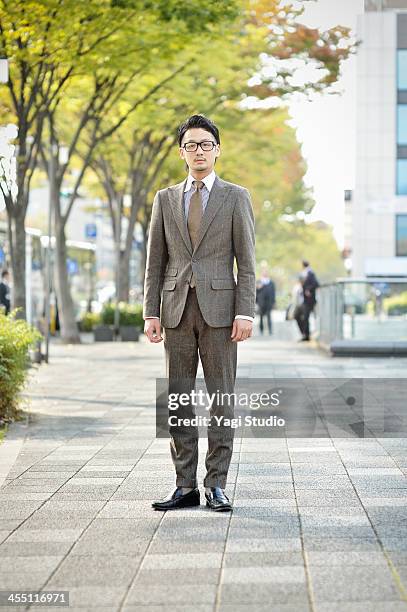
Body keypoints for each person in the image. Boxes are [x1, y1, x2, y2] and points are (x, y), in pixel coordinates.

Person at [143, 114, 256, 512]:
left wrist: (246, 312)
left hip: (222, 314)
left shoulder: (235, 196)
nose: (198, 152)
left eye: (205, 144)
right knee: (178, 399)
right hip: (174, 311)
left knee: (221, 398)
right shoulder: (165, 198)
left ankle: (217, 483)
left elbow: (247, 261)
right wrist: (149, 312)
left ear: (217, 149)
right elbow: (155, 261)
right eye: (191, 145)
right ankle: (185, 485)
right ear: (181, 152)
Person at [294, 260, 319, 341]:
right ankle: (305, 334)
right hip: (304, 301)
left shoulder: (310, 273)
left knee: (306, 317)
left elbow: (316, 284)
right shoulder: (305, 273)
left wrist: (308, 289)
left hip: (308, 301)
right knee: (299, 316)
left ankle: (306, 335)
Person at [256, 265, 275, 335]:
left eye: (266, 272)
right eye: (264, 272)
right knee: (261, 317)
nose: (265, 273)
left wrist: (273, 302)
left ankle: (270, 330)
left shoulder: (271, 282)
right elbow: (256, 292)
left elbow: (273, 293)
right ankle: (261, 331)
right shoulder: (259, 282)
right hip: (261, 302)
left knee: (269, 316)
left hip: (269, 302)